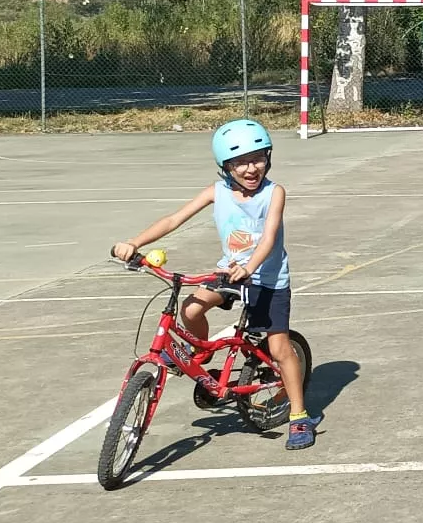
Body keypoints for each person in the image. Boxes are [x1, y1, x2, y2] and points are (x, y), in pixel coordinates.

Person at [110, 118, 316, 448]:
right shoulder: (216, 192)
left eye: (258, 158)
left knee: (279, 349)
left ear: (268, 157)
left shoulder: (273, 193)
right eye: (240, 162)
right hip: (228, 272)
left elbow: (269, 237)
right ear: (225, 166)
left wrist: (249, 267)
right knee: (191, 309)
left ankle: (299, 416)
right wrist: (134, 243)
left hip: (268, 279)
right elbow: (173, 219)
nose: (251, 168)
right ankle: (200, 355)